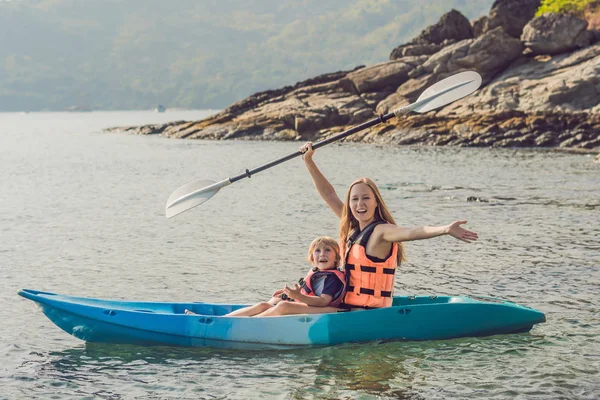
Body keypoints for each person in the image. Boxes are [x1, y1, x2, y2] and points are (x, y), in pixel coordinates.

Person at [299, 141, 479, 310]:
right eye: (354, 199)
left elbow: (412, 232)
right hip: (347, 307)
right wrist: (308, 161)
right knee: (277, 304)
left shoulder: (381, 231)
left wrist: (445, 229)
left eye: (366, 198)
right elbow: (329, 194)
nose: (360, 204)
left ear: (376, 202)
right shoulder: (353, 226)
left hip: (366, 313)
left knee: (283, 309)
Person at [184, 236, 347, 317]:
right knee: (266, 304)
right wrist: (290, 295)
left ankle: (248, 325)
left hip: (327, 310)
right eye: (317, 251)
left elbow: (323, 300)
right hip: (312, 305)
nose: (322, 254)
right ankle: (224, 320)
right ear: (312, 258)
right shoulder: (318, 274)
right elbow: (309, 293)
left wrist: (297, 297)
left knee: (283, 306)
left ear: (336, 257)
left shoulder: (331, 278)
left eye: (327, 251)